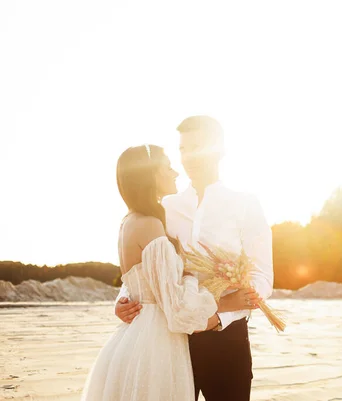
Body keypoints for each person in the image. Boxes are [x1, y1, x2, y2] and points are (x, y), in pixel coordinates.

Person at [114, 116, 274, 401]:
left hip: (226, 340)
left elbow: (262, 276)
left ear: (220, 150)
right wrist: (124, 298)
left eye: (198, 147)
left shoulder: (245, 204)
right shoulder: (166, 206)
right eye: (184, 149)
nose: (189, 157)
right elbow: (147, 264)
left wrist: (223, 313)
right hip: (171, 341)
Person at [81, 144, 219, 401]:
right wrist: (194, 281)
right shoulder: (150, 224)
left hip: (134, 337)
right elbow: (177, 311)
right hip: (155, 343)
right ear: (150, 175)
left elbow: (136, 280)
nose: (175, 172)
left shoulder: (129, 222)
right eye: (167, 167)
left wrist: (121, 300)